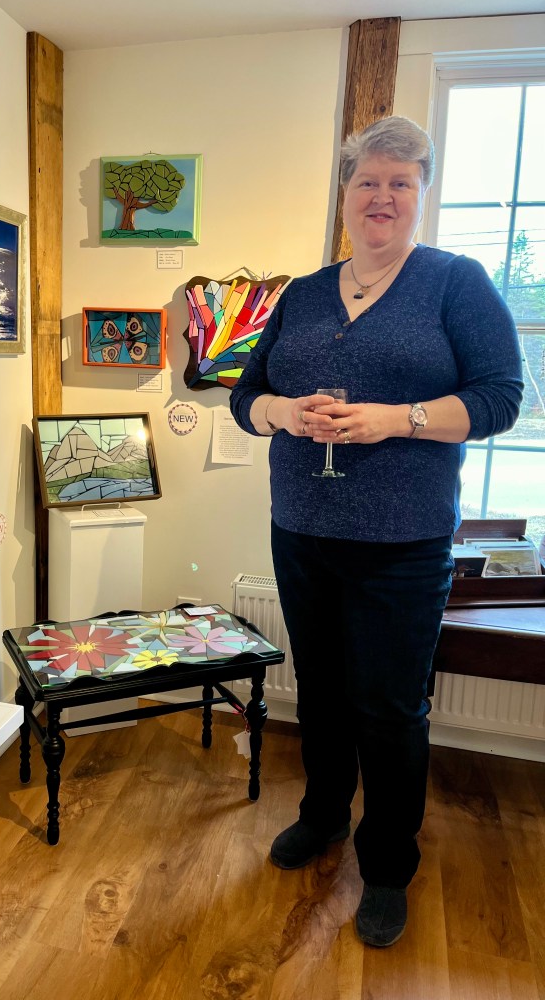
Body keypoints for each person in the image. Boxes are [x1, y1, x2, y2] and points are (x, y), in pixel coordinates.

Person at [229, 115, 523, 948]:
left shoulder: (456, 283)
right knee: (320, 691)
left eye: (400, 183)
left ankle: (387, 864)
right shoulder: (303, 293)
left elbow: (501, 397)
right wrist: (281, 411)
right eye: (368, 182)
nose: (382, 197)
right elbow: (245, 395)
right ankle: (323, 814)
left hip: (404, 543)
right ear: (346, 196)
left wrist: (398, 418)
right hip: (302, 530)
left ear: (421, 194)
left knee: (390, 708)